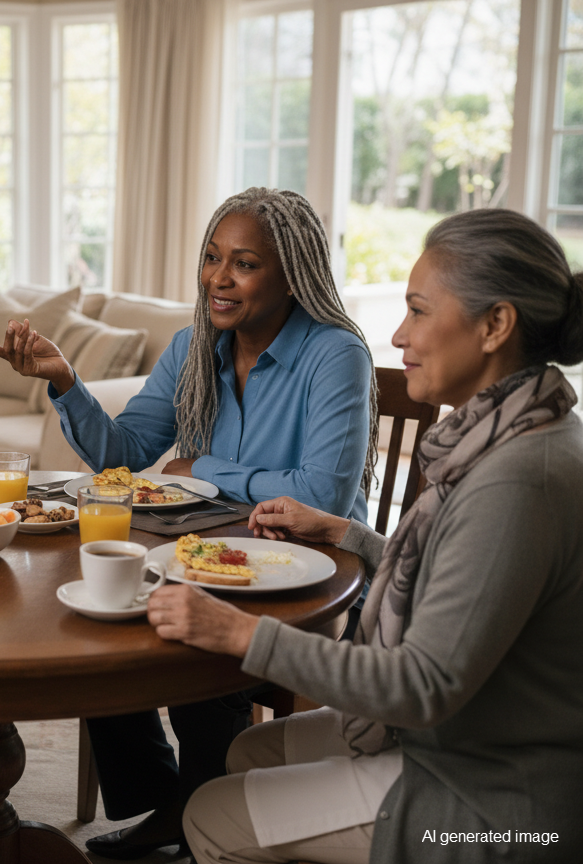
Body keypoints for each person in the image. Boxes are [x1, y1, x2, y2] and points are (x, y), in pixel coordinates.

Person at [166, 208, 583, 864]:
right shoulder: (511, 434)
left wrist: (239, 634)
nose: (397, 334)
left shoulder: (518, 478)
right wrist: (353, 535)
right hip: (468, 735)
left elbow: (419, 685)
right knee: (242, 752)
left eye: (418, 311)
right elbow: (468, 590)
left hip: (495, 792)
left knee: (210, 814)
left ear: (496, 325)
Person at [0, 187, 377, 858]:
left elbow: (324, 493)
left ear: (293, 274)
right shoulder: (193, 346)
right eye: (211, 257)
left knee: (184, 618)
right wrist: (63, 380)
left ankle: (196, 812)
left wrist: (205, 469)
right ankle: (170, 800)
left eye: (244, 263)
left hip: (312, 572)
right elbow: (125, 455)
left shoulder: (335, 354)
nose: (219, 278)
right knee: (97, 604)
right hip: (206, 550)